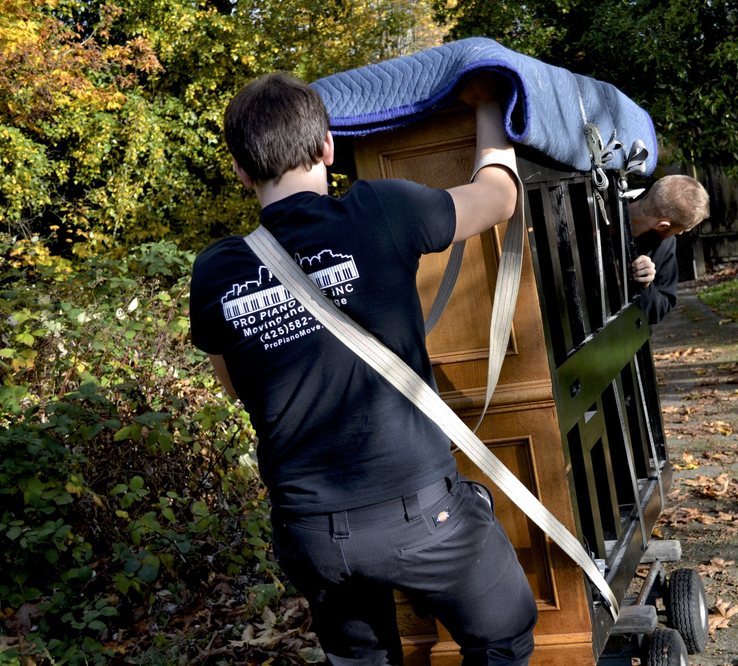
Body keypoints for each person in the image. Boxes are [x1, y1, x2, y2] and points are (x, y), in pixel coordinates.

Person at [188, 72, 537, 665]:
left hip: (310, 533)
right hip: (421, 516)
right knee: (503, 633)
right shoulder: (380, 210)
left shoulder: (215, 271)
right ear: (327, 147)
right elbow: (498, 195)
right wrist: (489, 105)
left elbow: (240, 390)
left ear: (242, 172)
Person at [628, 175, 711, 324]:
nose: (680, 234)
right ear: (662, 226)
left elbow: (661, 308)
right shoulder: (596, 210)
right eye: (682, 230)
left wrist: (646, 285)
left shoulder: (665, 245)